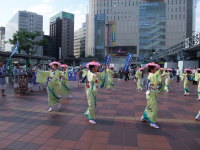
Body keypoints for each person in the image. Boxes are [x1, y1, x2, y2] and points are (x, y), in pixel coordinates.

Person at [141, 62, 162, 129]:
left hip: (151, 93)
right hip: (151, 94)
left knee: (149, 106)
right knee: (154, 108)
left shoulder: (151, 75)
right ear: (152, 70)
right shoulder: (152, 75)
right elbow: (158, 75)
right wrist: (160, 70)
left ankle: (143, 117)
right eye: (155, 69)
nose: (156, 70)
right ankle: (152, 123)